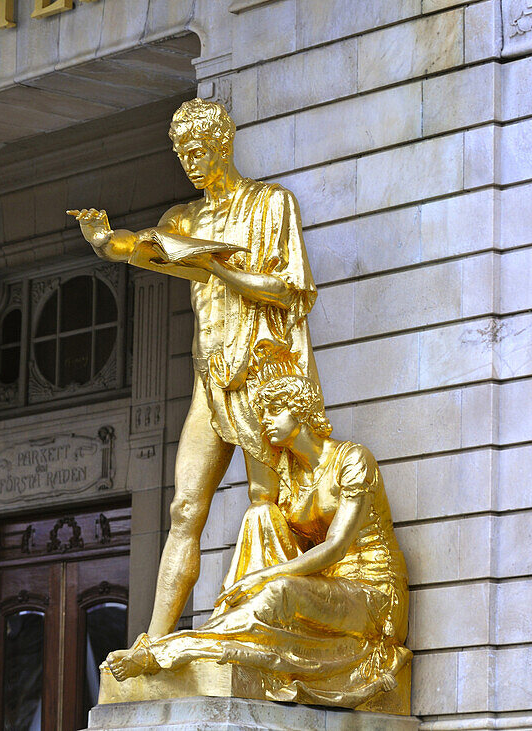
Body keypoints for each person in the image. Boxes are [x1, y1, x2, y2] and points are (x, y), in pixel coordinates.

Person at [69, 99, 320, 638]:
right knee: (185, 507)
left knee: (267, 504)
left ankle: (272, 625)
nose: (188, 162)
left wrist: (213, 267)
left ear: (222, 144)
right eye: (181, 153)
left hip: (263, 375)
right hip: (211, 379)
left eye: (197, 150)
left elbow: (288, 290)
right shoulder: (182, 219)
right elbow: (145, 247)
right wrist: (106, 244)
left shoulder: (271, 204)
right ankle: (156, 639)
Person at [103, 358, 410, 708]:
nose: (264, 422)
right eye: (262, 414)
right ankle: (221, 634)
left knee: (279, 591)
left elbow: (336, 547)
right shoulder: (291, 479)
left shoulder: (353, 459)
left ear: (300, 412)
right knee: (260, 514)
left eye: (273, 412)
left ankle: (170, 649)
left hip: (373, 593)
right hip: (327, 585)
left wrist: (264, 577)